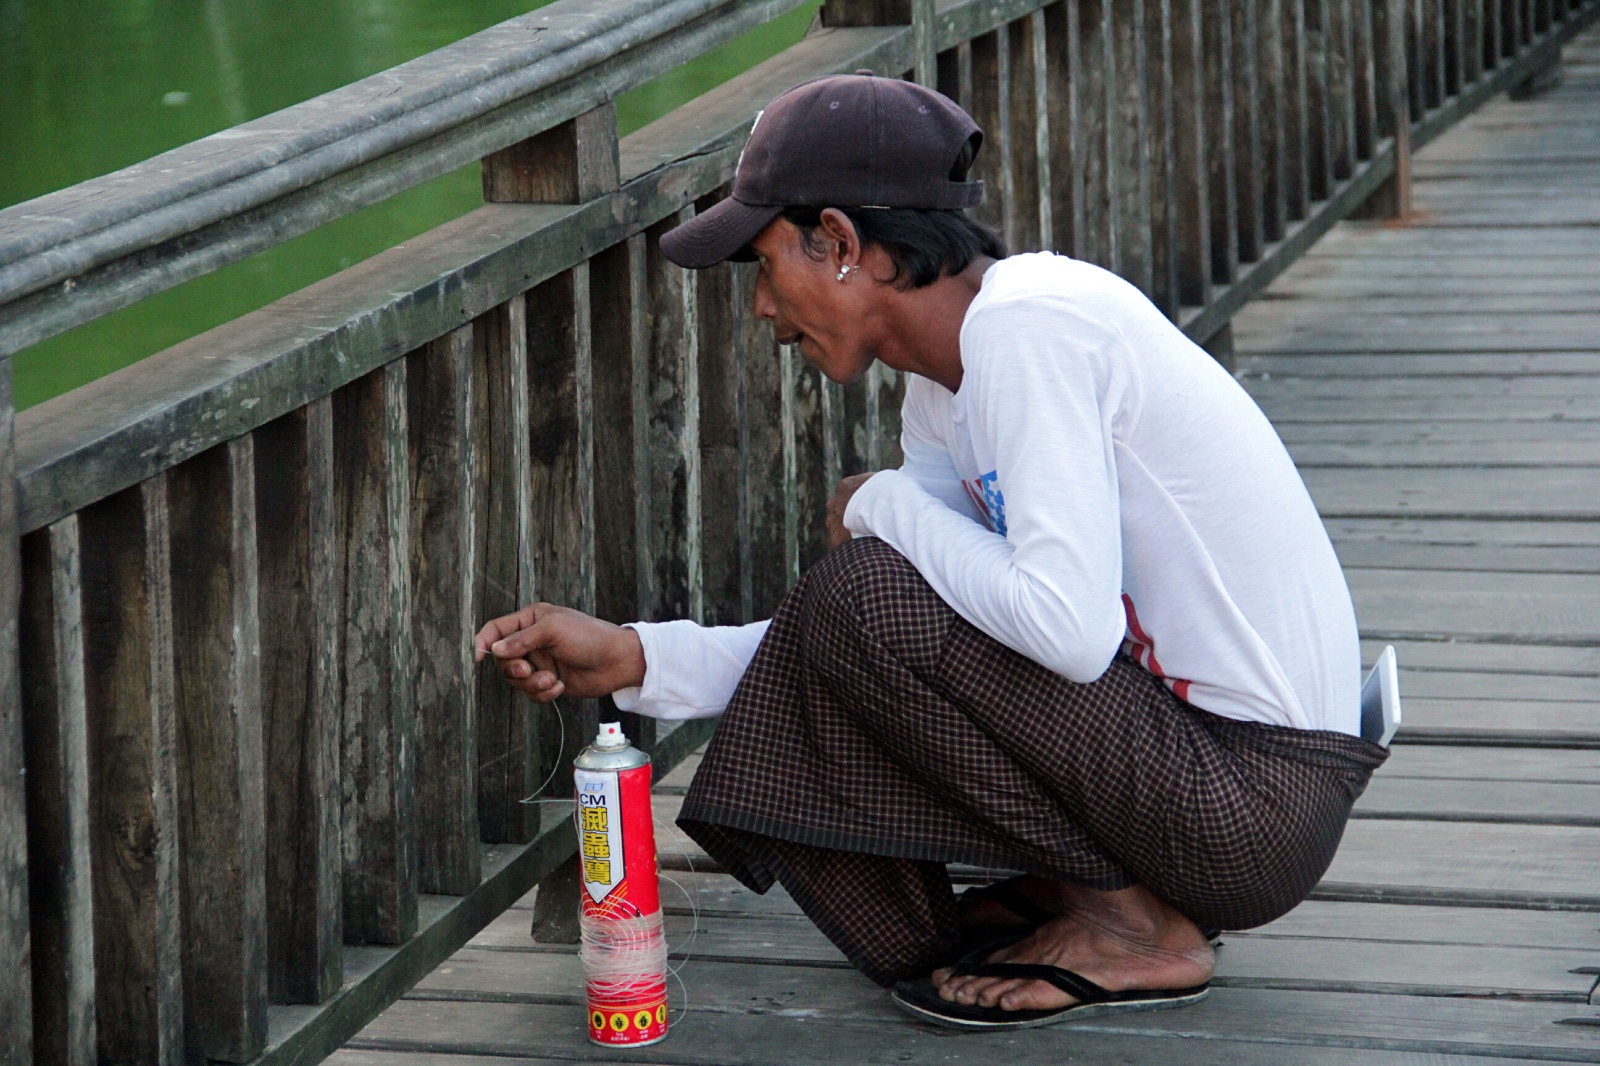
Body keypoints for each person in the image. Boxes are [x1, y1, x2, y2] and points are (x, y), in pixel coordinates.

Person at [474, 72, 1387, 1031]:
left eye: (763, 264)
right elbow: (908, 630)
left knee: (869, 585)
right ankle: (1100, 897)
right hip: (1204, 780)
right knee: (871, 597)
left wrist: (885, 503)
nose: (760, 312)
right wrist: (637, 656)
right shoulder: (950, 382)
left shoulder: (1031, 326)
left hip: (1254, 808)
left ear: (840, 244)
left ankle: (1134, 928)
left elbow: (1064, 632)